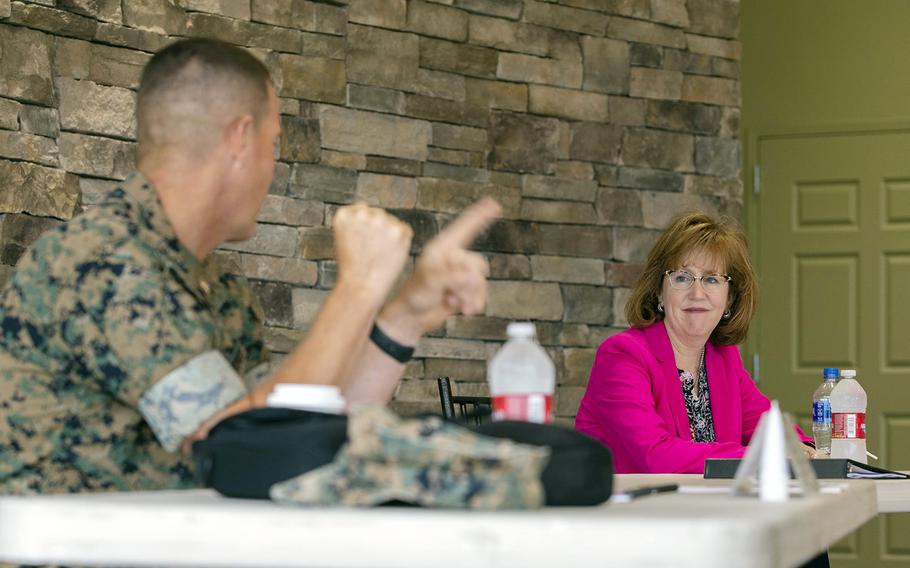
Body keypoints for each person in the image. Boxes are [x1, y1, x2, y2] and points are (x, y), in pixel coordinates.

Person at [0, 38, 501, 494]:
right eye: (273, 141)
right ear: (240, 138)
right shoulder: (104, 261)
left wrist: (403, 316)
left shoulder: (212, 284)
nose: (273, 164)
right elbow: (233, 445)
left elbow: (295, 425)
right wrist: (357, 289)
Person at [575, 211, 813, 474]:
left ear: (729, 299)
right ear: (659, 292)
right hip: (628, 512)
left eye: (711, 279)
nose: (697, 293)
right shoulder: (623, 355)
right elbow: (656, 456)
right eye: (682, 278)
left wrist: (802, 448)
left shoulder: (723, 358)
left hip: (702, 510)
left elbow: (769, 426)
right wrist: (765, 455)